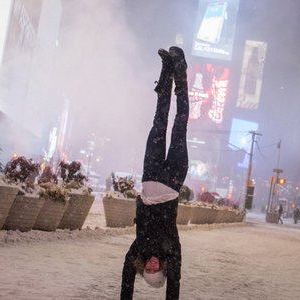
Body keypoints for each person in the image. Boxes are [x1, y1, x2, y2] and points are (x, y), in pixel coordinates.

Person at [121, 46, 189, 299]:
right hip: (172, 180)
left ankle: (166, 73)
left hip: (150, 176)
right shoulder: (172, 252)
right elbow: (175, 286)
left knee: (159, 122)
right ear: (163, 268)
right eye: (155, 269)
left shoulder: (137, 250)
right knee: (180, 123)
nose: (151, 265)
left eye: (147, 269)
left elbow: (126, 281)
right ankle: (180, 71)